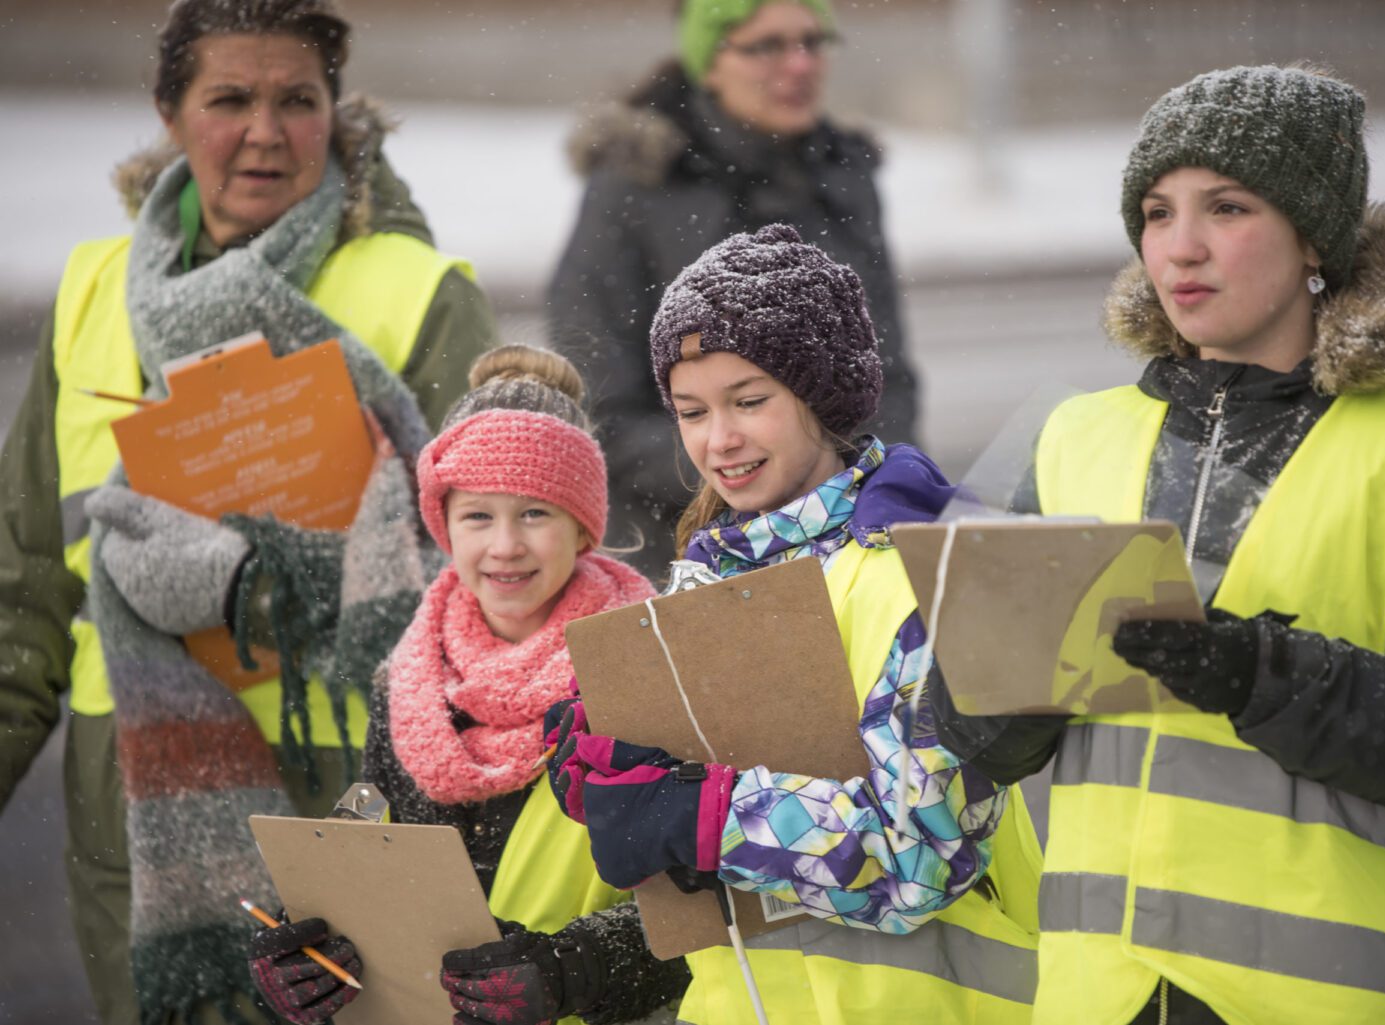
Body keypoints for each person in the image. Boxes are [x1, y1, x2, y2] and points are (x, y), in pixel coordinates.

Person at [932, 64, 1385, 1025]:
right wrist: (1003, 680)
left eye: (1227, 206)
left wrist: (1257, 670)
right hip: (1109, 997)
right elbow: (966, 739)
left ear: (1313, 241)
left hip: (1335, 999)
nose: (1183, 247)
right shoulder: (1070, 436)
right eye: (1158, 212)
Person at [0, 0, 498, 1020]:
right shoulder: (93, 290)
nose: (265, 132)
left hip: (354, 797)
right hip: (139, 805)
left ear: (336, 114)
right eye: (230, 99)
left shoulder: (416, 290)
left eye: (296, 100)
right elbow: (27, 585)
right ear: (170, 115)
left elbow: (495, 578)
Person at [547, 224, 1040, 1024]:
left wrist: (700, 816)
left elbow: (917, 858)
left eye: (750, 401)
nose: (719, 440)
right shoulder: (703, 580)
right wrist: (609, 773)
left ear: (824, 395)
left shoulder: (925, 572)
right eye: (690, 411)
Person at [247, 345, 690, 1025]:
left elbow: (708, 908)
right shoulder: (406, 681)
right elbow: (370, 859)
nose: (505, 545)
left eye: (535, 513)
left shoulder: (650, 663)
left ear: (582, 526)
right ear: (444, 524)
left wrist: (569, 969)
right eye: (478, 515)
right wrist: (306, 949)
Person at [547, 0, 920, 579]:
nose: (799, 65)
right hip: (679, 553)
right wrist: (759, 476)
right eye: (766, 46)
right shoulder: (636, 184)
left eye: (812, 41)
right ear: (709, 63)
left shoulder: (843, 176)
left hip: (850, 540)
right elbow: (602, 413)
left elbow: (886, 371)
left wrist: (865, 494)